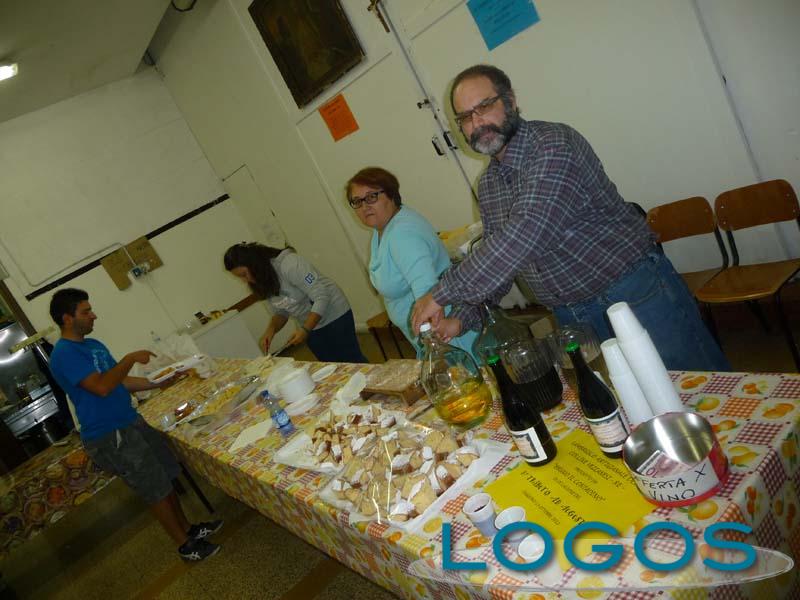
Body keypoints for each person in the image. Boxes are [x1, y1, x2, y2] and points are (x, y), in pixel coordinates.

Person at [411, 64, 729, 372]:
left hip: (632, 293)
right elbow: (502, 266)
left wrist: (440, 293)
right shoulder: (489, 184)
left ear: (510, 101)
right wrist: (461, 319)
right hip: (572, 316)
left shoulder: (553, 144)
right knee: (627, 398)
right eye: (465, 117)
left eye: (484, 106)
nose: (477, 122)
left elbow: (527, 232)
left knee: (698, 386)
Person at [48, 288, 223, 562]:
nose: (93, 315)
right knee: (153, 489)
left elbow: (121, 382)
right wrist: (129, 358)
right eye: (86, 311)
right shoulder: (64, 354)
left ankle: (188, 529)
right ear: (67, 318)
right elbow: (102, 387)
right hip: (110, 434)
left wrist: (158, 382)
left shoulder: (93, 345)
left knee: (165, 477)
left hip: (130, 420)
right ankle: (185, 546)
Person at [346, 167, 478, 358]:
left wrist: (434, 343)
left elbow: (427, 289)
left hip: (445, 333)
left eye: (371, 197)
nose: (364, 206)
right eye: (357, 201)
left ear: (391, 194)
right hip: (430, 333)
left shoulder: (402, 234)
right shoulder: (384, 227)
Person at [224, 243, 367, 363]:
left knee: (352, 362)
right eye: (240, 277)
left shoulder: (290, 264)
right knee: (331, 366)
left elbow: (321, 296)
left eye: (244, 274)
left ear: (254, 264)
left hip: (334, 314)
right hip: (310, 325)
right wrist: (270, 331)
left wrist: (305, 329)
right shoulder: (263, 279)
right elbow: (281, 311)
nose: (246, 280)